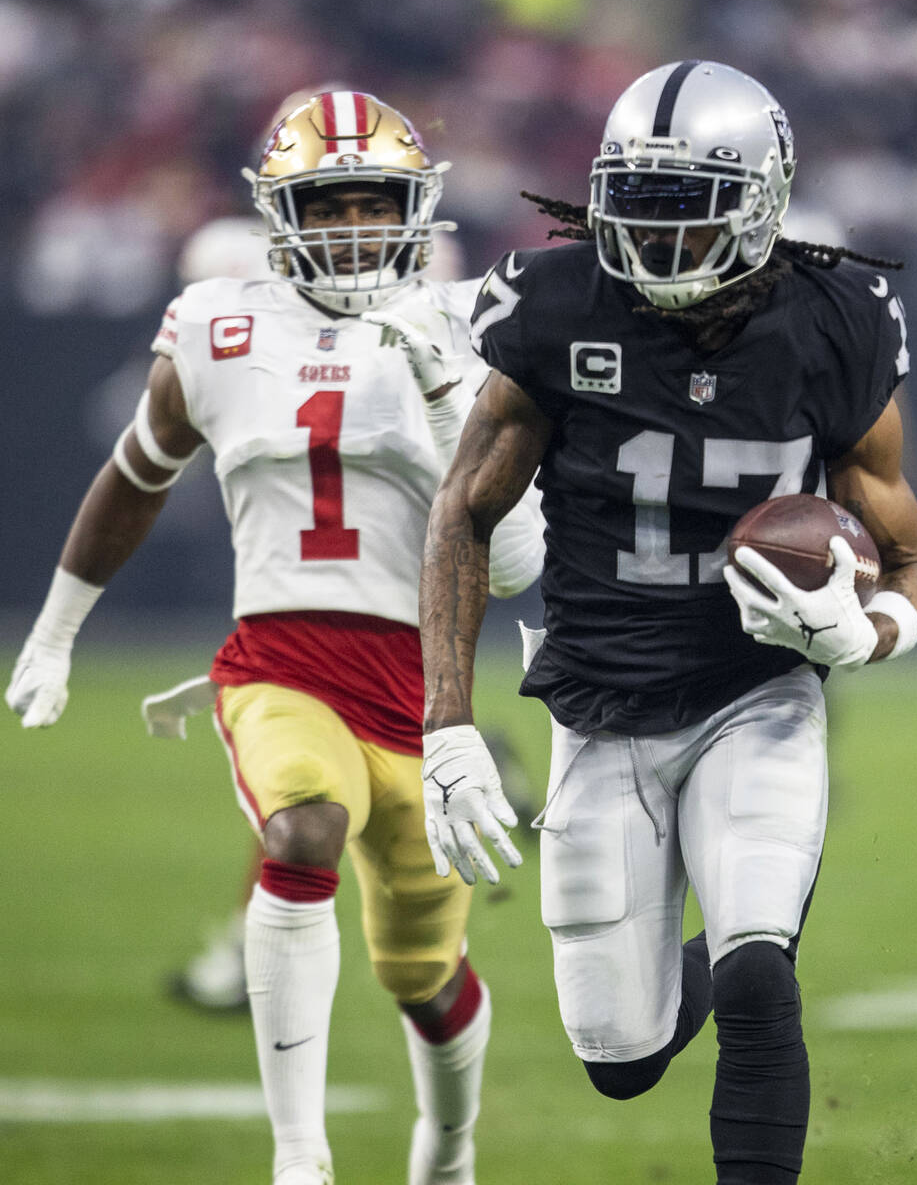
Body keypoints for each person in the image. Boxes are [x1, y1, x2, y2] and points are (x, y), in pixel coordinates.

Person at [416, 60, 917, 1184]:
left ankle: (757, 911)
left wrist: (871, 634)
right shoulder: (554, 307)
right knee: (621, 1055)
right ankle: (698, 944)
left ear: (760, 204)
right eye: (636, 208)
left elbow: (910, 563)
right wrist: (447, 726)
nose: (653, 243)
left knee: (759, 981)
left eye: (683, 213)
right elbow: (464, 514)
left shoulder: (831, 325)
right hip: (598, 708)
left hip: (754, 696)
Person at [6, 90, 543, 1185]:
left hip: (425, 691)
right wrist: (56, 633)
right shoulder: (217, 323)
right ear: (277, 211)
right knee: (300, 831)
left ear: (415, 209)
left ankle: (446, 1148)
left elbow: (524, 558)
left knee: (423, 976)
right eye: (326, 203)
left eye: (372, 203)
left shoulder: (466, 324)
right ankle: (298, 1157)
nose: (350, 226)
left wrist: (446, 398)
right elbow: (136, 473)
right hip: (278, 666)